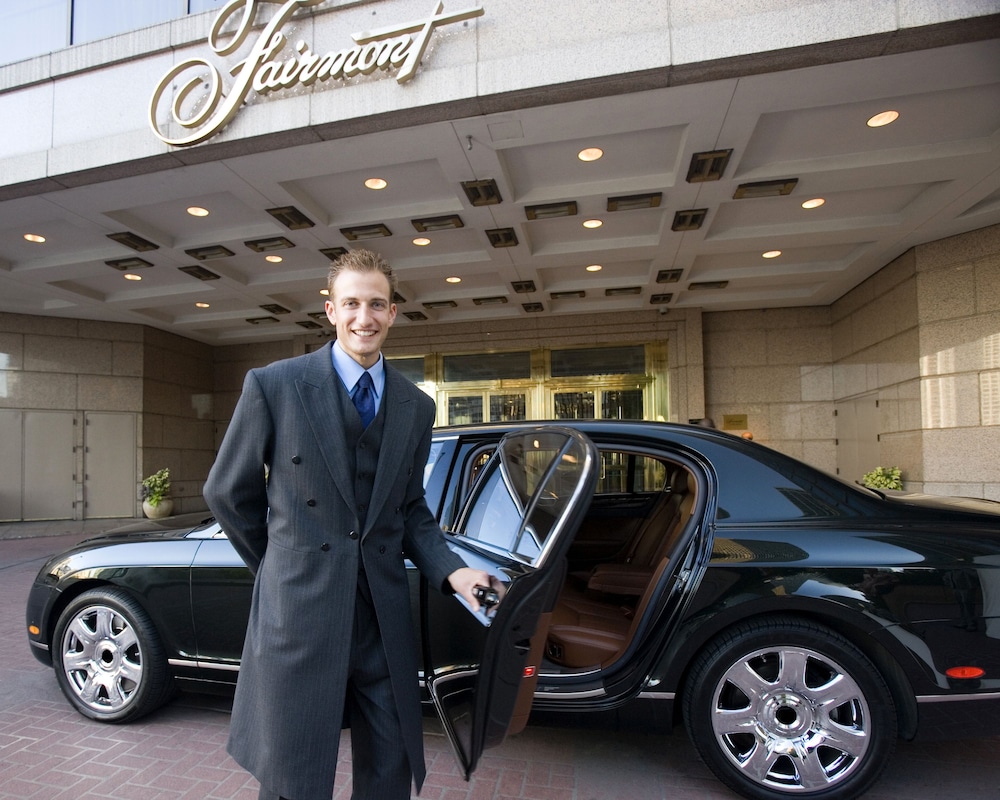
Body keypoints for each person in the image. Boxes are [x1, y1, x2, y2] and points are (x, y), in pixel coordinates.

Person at [204, 249, 493, 800]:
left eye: (377, 304)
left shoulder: (415, 405)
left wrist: (454, 572)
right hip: (301, 611)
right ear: (331, 310)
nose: (366, 317)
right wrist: (281, 564)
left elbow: (410, 510)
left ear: (393, 312)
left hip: (382, 618)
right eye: (353, 303)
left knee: (390, 768)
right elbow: (227, 492)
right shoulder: (275, 385)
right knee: (294, 773)